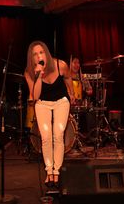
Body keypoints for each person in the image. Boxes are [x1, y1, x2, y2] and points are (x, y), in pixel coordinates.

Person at [24, 40, 75, 188]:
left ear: (46, 53)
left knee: (58, 135)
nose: (39, 55)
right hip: (42, 103)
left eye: (41, 52)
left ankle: (56, 170)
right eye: (35, 54)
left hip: (61, 102)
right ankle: (49, 171)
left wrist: (71, 93)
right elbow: (36, 95)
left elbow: (68, 78)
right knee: (46, 137)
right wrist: (38, 75)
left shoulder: (61, 65)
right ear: (31, 58)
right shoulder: (29, 72)